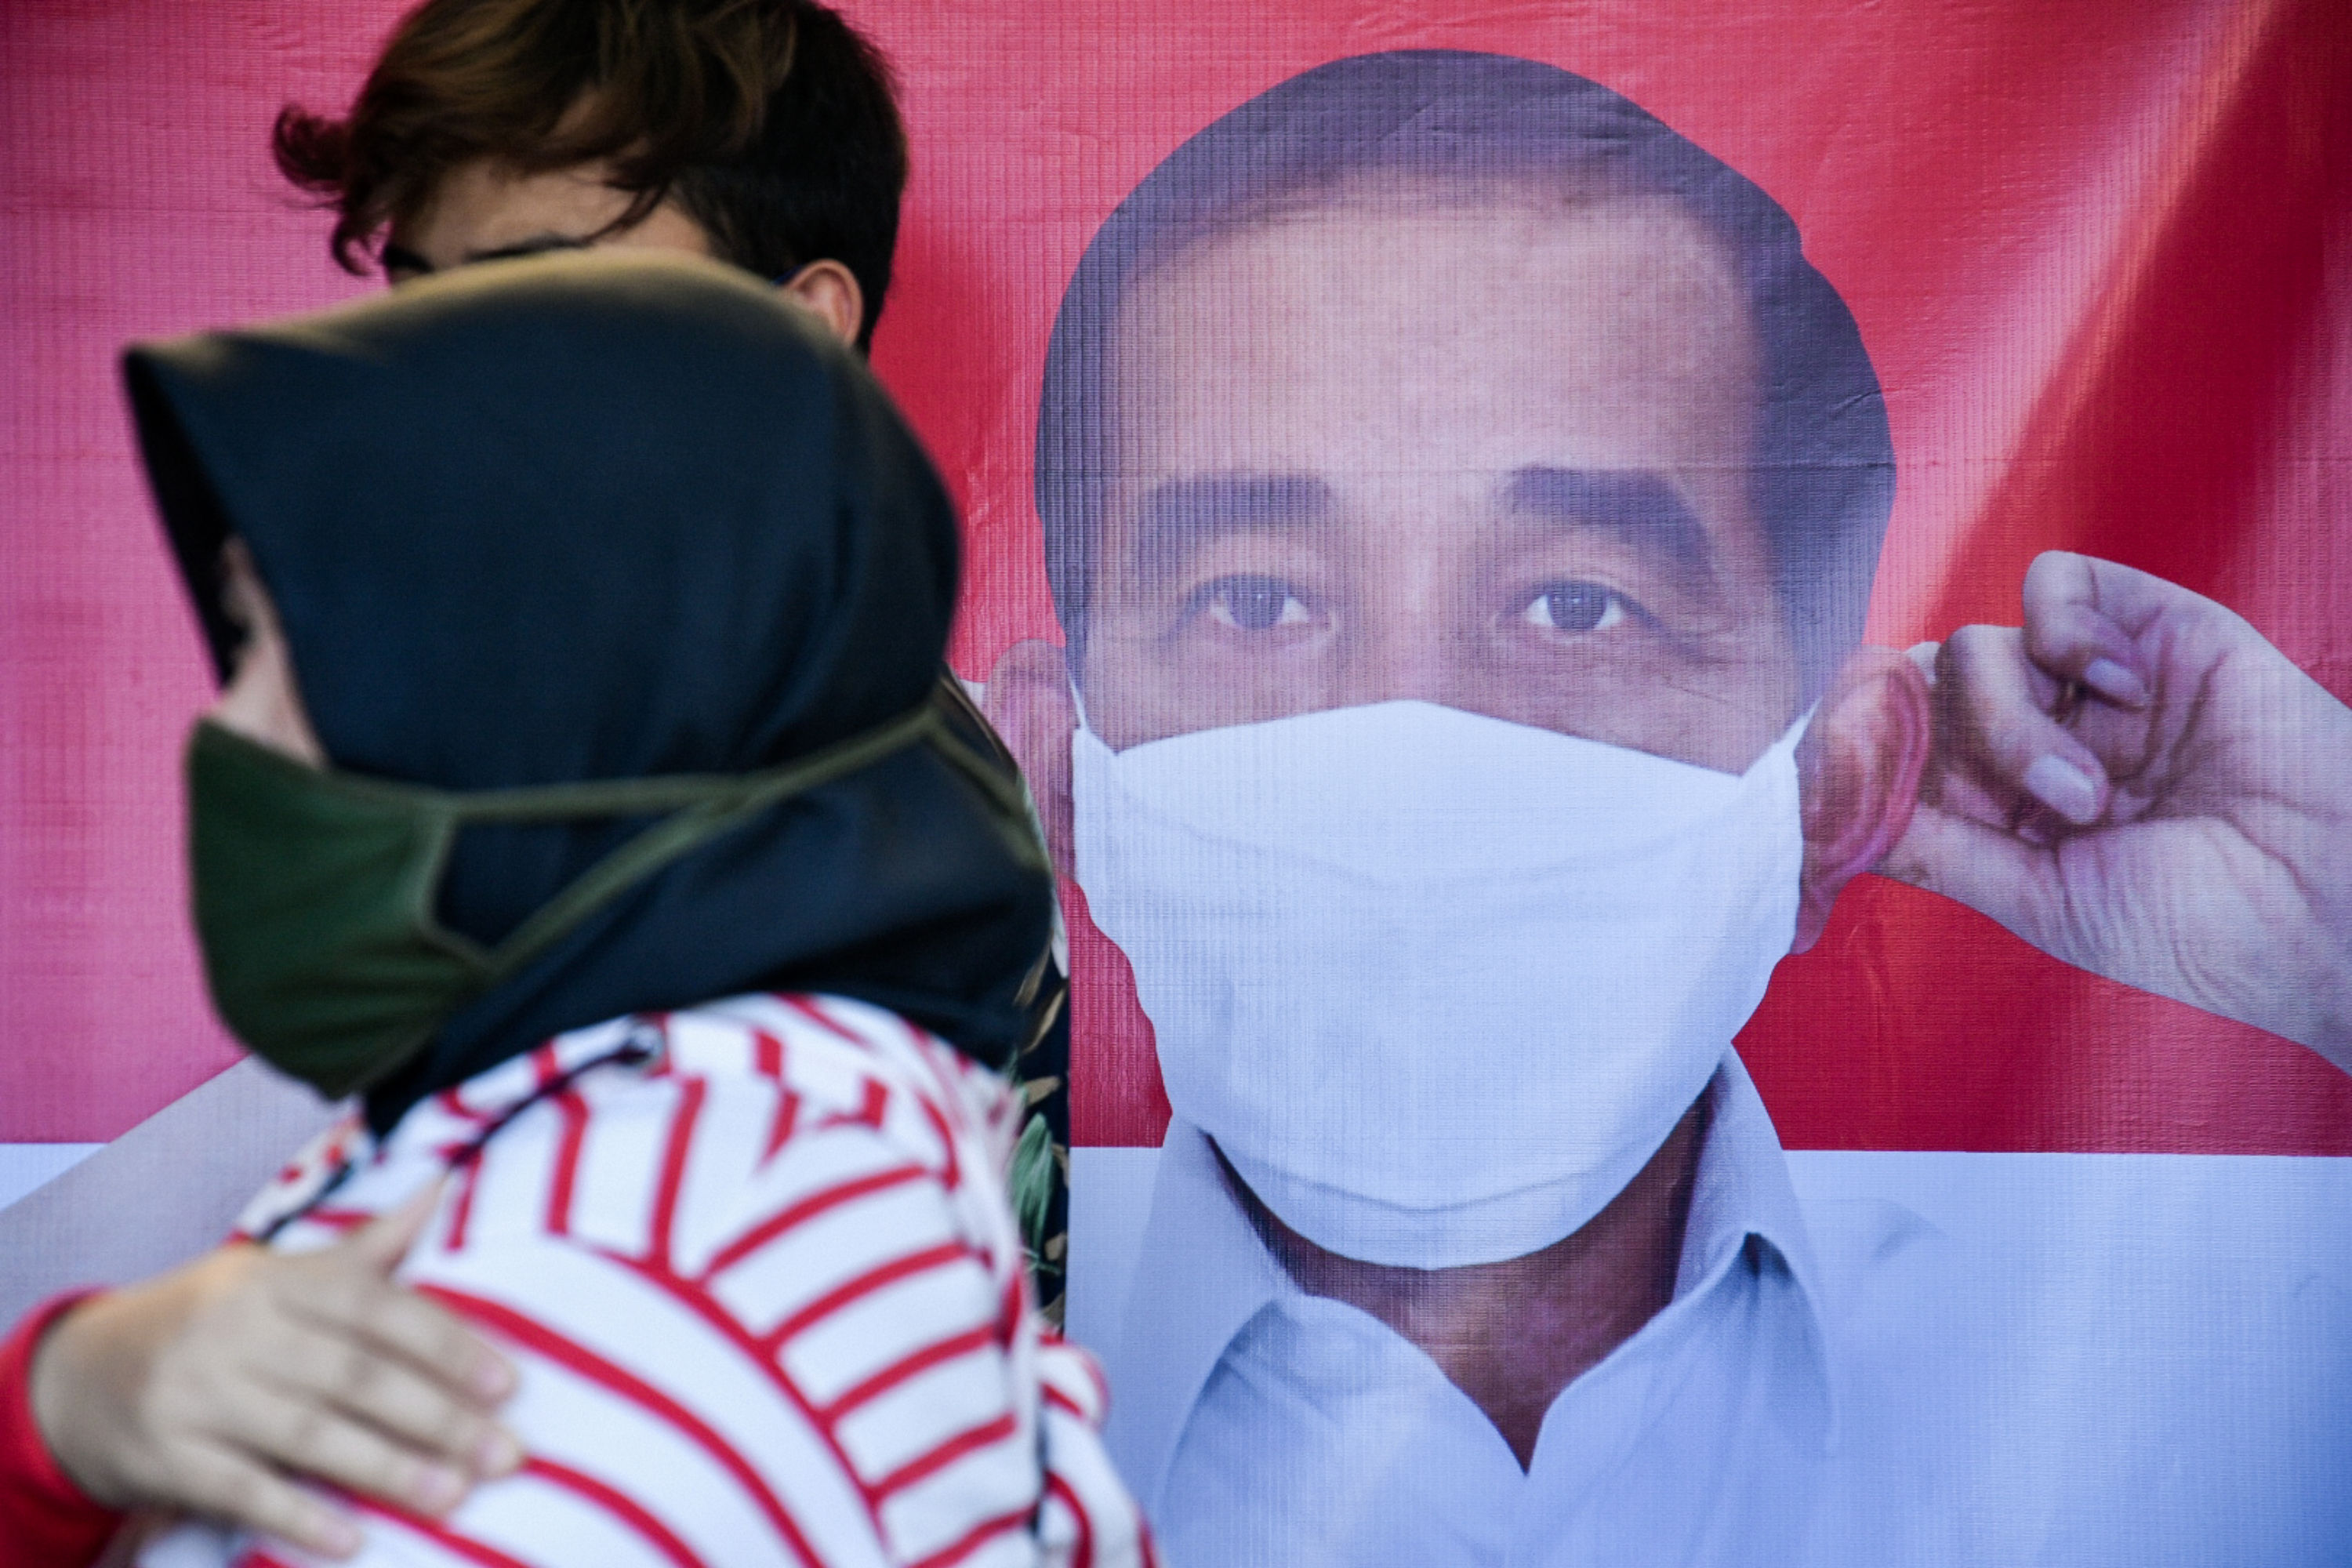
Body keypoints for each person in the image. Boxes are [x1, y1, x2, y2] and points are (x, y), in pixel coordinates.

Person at [980, 51, 2352, 1564]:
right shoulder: (842, 1421)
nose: (1419, 738)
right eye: (1256, 600)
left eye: (1577, 607)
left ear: (1834, 789)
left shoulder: (2196, 1407)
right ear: (1054, 783)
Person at [3, 3, 1069, 1558]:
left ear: (792, 342)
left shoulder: (858, 896)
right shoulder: (499, 788)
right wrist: (67, 1406)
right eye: (415, 311)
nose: (428, 400)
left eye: (534, 309)